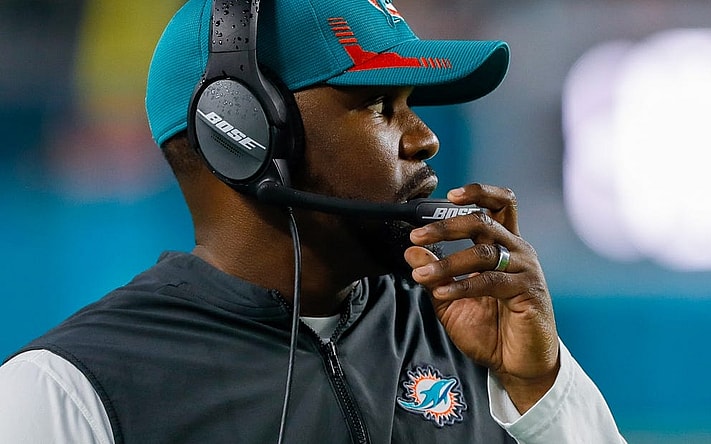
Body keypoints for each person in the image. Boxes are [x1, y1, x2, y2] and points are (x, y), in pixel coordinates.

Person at [0, 0, 625, 442]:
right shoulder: (68, 392)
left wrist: (541, 392)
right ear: (246, 134)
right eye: (382, 107)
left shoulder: (479, 338)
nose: (426, 139)